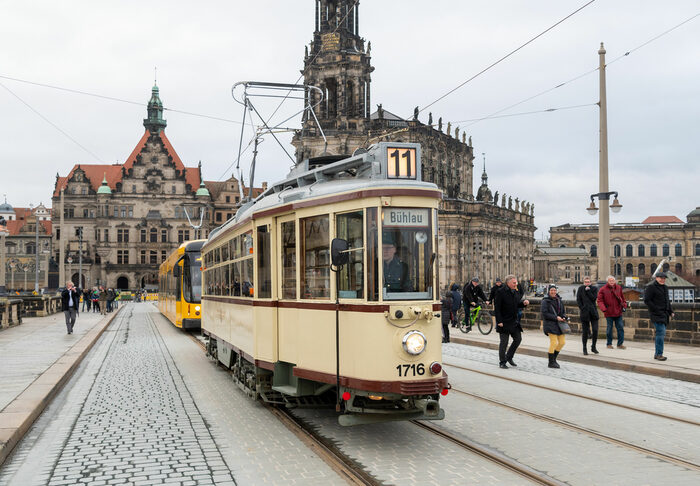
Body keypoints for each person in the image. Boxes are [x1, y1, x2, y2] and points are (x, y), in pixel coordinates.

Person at [494, 275, 529, 368]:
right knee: (504, 342)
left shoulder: (515, 291)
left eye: (516, 282)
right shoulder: (500, 292)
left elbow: (517, 304)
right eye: (514, 283)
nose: (516, 284)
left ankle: (509, 356)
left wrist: (523, 304)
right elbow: (497, 308)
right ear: (508, 283)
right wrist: (499, 321)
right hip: (504, 321)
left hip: (513, 321)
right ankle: (502, 362)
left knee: (518, 339)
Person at [644, 272, 674, 361]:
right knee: (661, 333)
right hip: (656, 314)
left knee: (661, 334)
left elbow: (667, 301)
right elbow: (647, 300)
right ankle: (659, 354)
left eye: (664, 278)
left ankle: (657, 354)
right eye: (661, 278)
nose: (662, 279)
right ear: (656, 278)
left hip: (664, 314)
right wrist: (656, 309)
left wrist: (671, 311)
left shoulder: (665, 287)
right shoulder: (651, 287)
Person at [597, 275, 627, 349]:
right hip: (609, 312)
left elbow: (622, 298)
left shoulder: (618, 288)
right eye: (610, 281)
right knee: (609, 329)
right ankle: (609, 344)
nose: (612, 282)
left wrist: (624, 305)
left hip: (618, 311)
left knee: (620, 328)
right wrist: (604, 309)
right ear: (607, 281)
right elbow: (600, 301)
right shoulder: (603, 289)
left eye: (613, 281)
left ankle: (620, 344)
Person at [541, 285, 567, 368]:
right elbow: (544, 314)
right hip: (550, 324)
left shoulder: (559, 300)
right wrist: (556, 317)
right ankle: (551, 362)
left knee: (562, 342)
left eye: (554, 290)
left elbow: (563, 311)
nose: (553, 292)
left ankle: (554, 359)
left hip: (559, 325)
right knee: (554, 342)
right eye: (551, 290)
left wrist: (564, 317)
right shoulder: (545, 301)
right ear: (549, 291)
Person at [576, 276, 600, 355]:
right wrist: (582, 308)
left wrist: (588, 291)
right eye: (585, 282)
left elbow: (593, 298)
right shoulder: (580, 288)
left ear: (590, 282)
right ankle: (584, 348)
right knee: (585, 332)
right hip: (584, 313)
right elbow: (578, 299)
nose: (587, 283)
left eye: (588, 282)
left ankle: (593, 346)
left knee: (595, 330)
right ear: (583, 282)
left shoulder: (594, 289)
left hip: (593, 312)